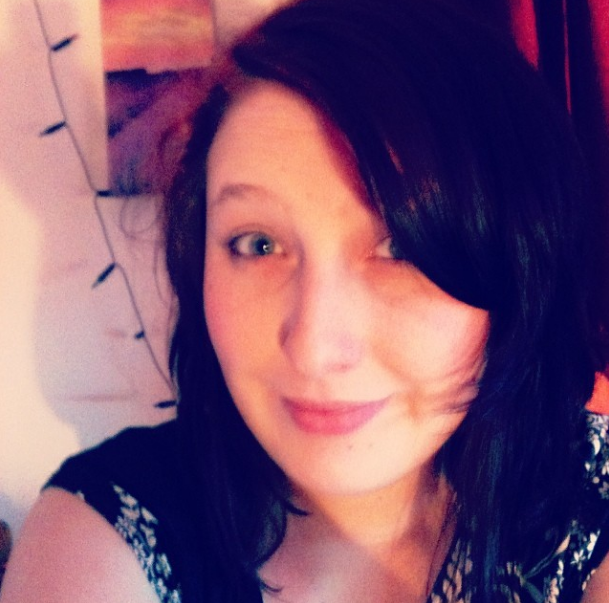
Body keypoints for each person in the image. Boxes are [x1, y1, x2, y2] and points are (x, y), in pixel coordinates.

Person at [2, 0, 609, 601]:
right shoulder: (108, 527)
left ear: (517, 261)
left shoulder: (585, 505)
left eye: (399, 246)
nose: (313, 347)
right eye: (258, 243)